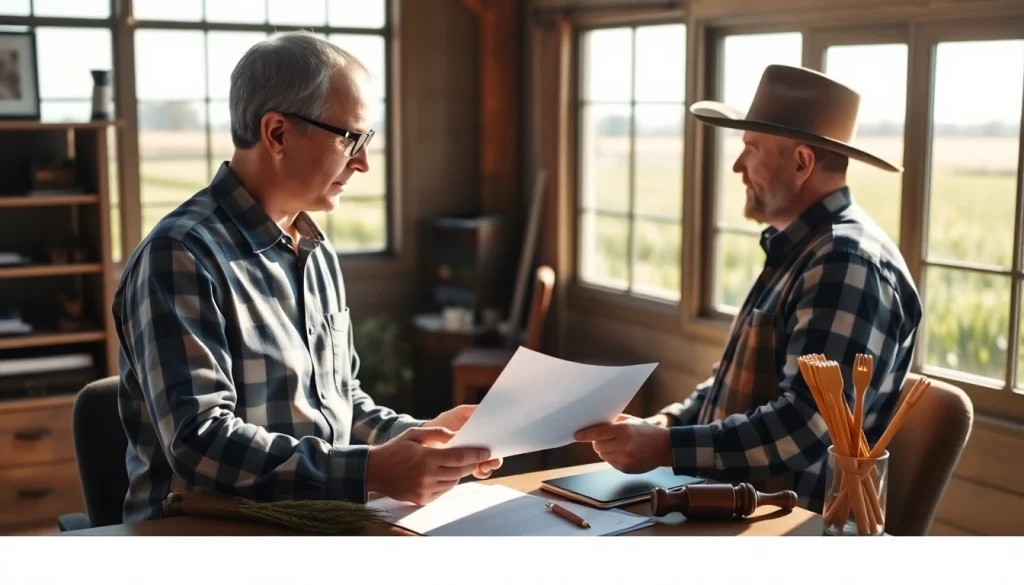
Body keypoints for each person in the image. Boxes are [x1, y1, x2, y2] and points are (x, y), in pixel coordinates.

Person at [112, 32, 500, 523]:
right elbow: (200, 442)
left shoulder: (314, 248)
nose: (361, 162)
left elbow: (338, 402)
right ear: (276, 133)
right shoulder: (180, 255)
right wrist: (371, 472)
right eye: (350, 138)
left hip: (318, 522)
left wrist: (423, 437)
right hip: (207, 535)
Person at [574, 65, 923, 514]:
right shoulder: (803, 250)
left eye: (751, 149)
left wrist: (666, 447)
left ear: (801, 163)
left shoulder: (845, 263)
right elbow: (730, 384)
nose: (738, 166)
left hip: (786, 527)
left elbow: (804, 428)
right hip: (733, 508)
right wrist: (668, 424)